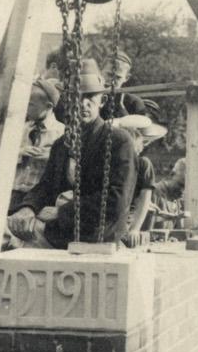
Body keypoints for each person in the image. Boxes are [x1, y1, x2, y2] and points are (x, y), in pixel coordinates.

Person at [7, 58, 138, 249]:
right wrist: (28, 208)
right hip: (61, 233)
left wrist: (62, 212)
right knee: (4, 231)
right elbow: (46, 186)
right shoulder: (62, 144)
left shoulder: (119, 141)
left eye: (91, 96)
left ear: (102, 100)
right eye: (77, 96)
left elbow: (117, 200)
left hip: (99, 237)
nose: (84, 104)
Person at [111, 114, 168, 246]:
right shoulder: (114, 163)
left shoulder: (143, 164)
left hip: (128, 219)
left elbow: (144, 199)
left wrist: (135, 228)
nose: (143, 146)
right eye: (142, 141)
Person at [11, 77, 65, 207]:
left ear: (48, 107)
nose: (26, 108)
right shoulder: (21, 129)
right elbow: (4, 157)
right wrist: (19, 151)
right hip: (13, 191)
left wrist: (52, 156)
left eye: (30, 104)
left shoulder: (61, 132)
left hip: (39, 197)